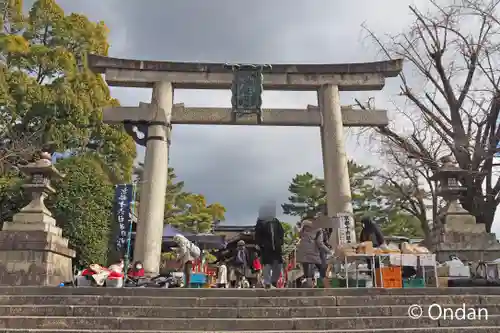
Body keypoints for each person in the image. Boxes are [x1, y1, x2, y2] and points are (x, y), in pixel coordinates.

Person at [254, 202, 284, 289]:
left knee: (278, 265)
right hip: (266, 248)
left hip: (277, 247)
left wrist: (280, 242)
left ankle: (274, 281)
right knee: (267, 265)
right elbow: (257, 235)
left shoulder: (276, 221)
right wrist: (260, 244)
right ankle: (267, 282)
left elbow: (281, 232)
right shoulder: (260, 222)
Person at [296, 219, 332, 288]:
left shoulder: (302, 230)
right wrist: (329, 251)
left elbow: (300, 238)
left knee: (308, 274)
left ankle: (309, 291)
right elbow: (320, 243)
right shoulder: (319, 230)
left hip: (303, 253)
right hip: (314, 253)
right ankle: (328, 290)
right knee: (322, 272)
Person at [359, 216, 385, 281]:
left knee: (376, 266)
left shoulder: (374, 228)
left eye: (363, 223)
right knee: (370, 266)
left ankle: (378, 280)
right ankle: (372, 279)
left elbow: (381, 238)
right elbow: (361, 240)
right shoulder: (364, 230)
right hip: (367, 251)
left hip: (375, 249)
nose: (363, 224)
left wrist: (379, 246)